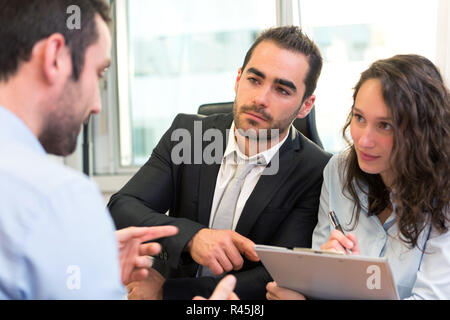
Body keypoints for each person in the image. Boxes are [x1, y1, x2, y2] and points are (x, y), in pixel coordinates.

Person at [0, 0, 234, 300]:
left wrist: (85, 269)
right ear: (55, 57)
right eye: (97, 74)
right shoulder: (58, 197)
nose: (97, 104)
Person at [108, 26, 331, 300]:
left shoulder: (316, 170)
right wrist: (193, 237)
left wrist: (166, 292)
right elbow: (122, 208)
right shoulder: (188, 135)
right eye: (254, 80)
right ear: (238, 79)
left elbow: (280, 275)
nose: (260, 99)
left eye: (282, 90)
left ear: (306, 105)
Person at [266, 54, 450, 300]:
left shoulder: (444, 194)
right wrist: (323, 271)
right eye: (359, 117)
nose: (363, 140)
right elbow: (317, 276)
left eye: (385, 125)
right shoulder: (339, 170)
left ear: (422, 130)